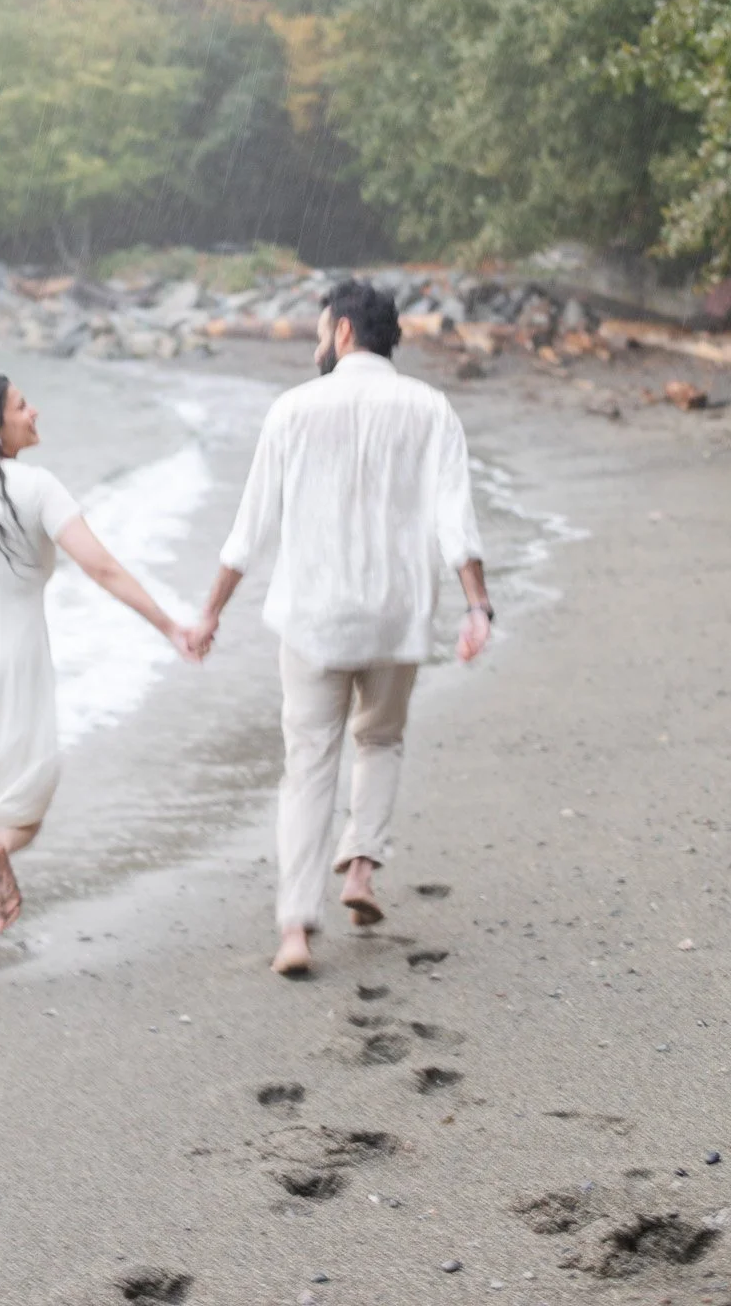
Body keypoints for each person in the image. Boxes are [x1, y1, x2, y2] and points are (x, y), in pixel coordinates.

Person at [194, 278, 492, 977]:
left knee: (308, 766)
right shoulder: (430, 408)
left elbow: (249, 532)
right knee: (380, 740)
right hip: (395, 614)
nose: (315, 342)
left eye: (320, 330)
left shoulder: (292, 410)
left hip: (313, 616)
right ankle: (360, 867)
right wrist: (476, 606)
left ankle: (295, 928)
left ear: (346, 333)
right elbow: (456, 522)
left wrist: (209, 611)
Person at [0, 372, 199, 968]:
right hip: (10, 662)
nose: (35, 412)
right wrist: (169, 625)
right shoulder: (37, 487)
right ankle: (3, 847)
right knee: (27, 798)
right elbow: (102, 568)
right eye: (22, 406)